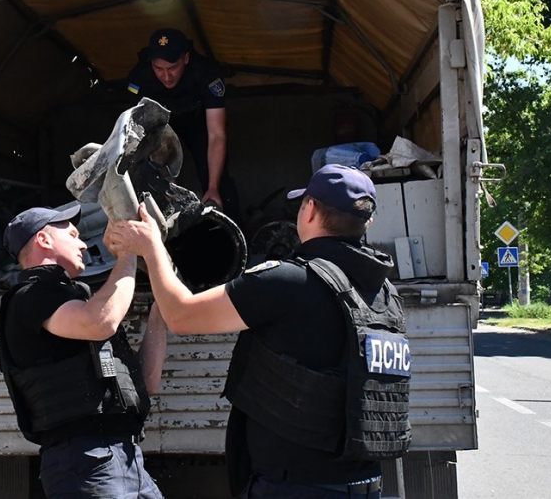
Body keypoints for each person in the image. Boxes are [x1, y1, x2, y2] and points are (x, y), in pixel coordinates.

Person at [108, 164, 410, 499]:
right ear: (367, 222)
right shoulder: (384, 295)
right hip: (364, 485)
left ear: (309, 209)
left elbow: (181, 315)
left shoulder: (288, 281)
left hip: (295, 488)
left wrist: (152, 248)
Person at [0, 203, 168, 499]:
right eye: (73, 235)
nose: (84, 244)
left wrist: (162, 306)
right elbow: (100, 322)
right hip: (85, 462)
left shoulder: (76, 299)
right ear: (44, 240)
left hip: (126, 458)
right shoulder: (31, 296)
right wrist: (128, 253)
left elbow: (147, 382)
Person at [126, 27, 240, 221]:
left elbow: (217, 135)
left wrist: (213, 188)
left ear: (185, 59)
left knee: (219, 184)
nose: (166, 76)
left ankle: (235, 237)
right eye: (159, 69)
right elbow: (138, 133)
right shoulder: (139, 78)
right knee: (151, 180)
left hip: (198, 122)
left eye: (173, 68)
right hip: (160, 127)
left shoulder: (206, 73)